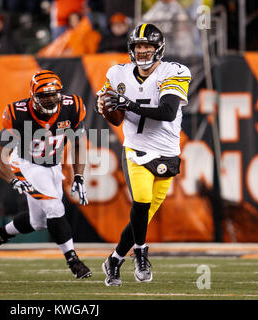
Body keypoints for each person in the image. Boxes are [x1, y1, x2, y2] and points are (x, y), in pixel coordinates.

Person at [96, 23, 191, 285]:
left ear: (158, 48)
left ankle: (114, 259)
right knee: (141, 201)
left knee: (143, 215)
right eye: (138, 46)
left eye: (148, 46)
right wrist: (107, 107)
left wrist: (129, 104)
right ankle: (140, 252)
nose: (143, 51)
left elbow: (168, 112)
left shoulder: (174, 71)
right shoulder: (117, 74)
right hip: (136, 149)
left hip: (168, 152)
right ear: (131, 48)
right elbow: (114, 117)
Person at [0, 70, 92, 279]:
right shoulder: (17, 113)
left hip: (53, 165)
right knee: (54, 207)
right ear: (33, 97)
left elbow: (79, 143)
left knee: (39, 222)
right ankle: (73, 261)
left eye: (54, 94)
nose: (51, 99)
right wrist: (13, 179)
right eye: (44, 96)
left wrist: (79, 175)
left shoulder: (72, 108)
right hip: (26, 163)